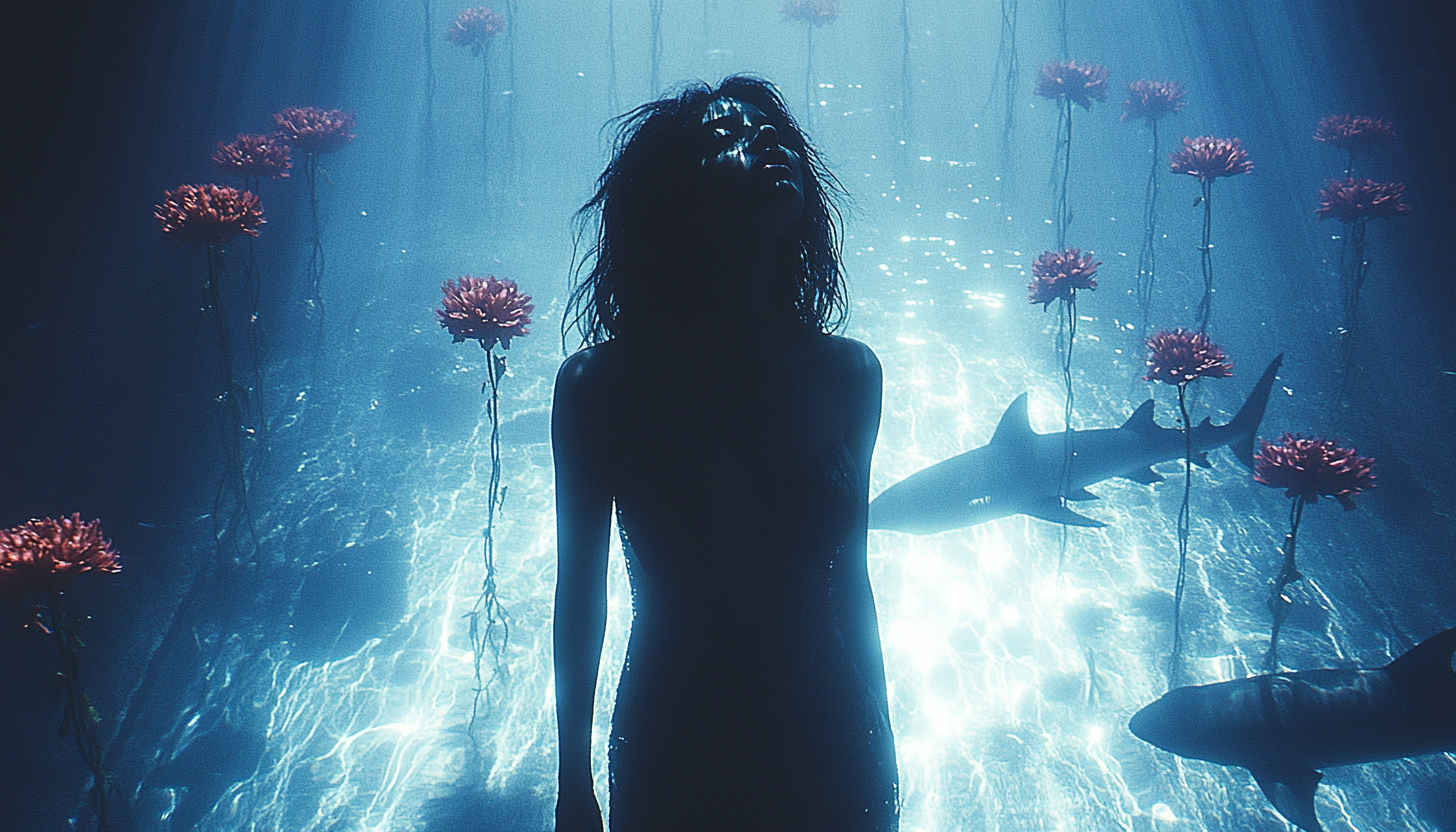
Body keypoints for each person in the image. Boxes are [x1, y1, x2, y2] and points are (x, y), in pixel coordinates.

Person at [552, 75, 897, 832]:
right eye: (727, 137)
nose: (766, 140)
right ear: (678, 198)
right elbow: (580, 597)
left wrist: (886, 739)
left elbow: (853, 584)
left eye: (774, 132)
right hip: (675, 741)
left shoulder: (850, 375)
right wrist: (571, 783)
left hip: (830, 734)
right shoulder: (602, 387)